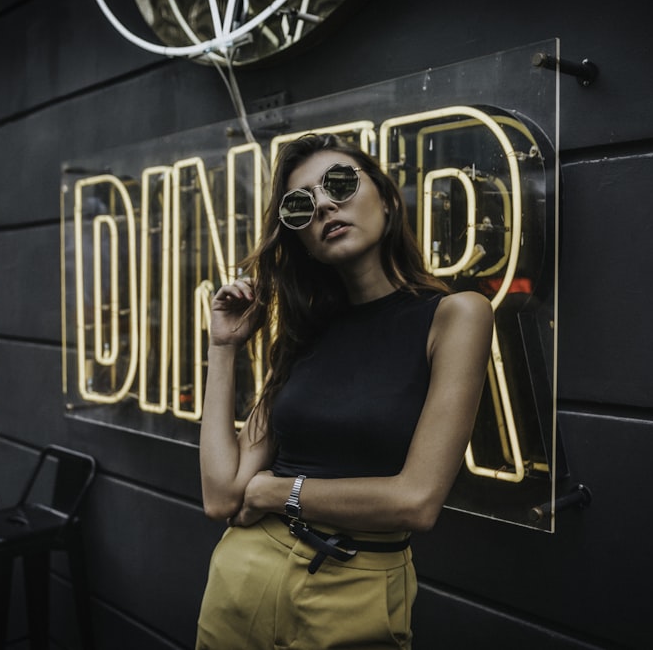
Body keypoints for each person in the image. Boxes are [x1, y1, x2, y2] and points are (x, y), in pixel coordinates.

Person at [196, 133, 493, 649]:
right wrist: (222, 347)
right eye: (300, 205)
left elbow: (416, 502)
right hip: (244, 571)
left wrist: (275, 491)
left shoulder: (455, 316)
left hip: (357, 583)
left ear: (385, 195)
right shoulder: (302, 336)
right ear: (301, 238)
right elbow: (222, 495)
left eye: (339, 183)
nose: (325, 205)